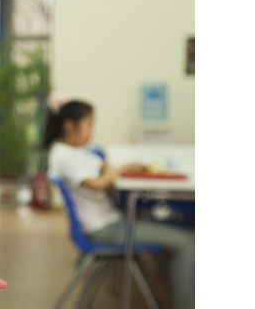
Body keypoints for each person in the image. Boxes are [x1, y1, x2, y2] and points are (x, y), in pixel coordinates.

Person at [44, 99, 194, 309]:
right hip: (104, 229)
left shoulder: (77, 150)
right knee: (186, 242)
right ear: (69, 126)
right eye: (89, 125)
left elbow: (105, 168)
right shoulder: (61, 155)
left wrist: (123, 169)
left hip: (110, 221)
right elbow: (96, 184)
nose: (92, 132)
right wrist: (121, 170)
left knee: (176, 234)